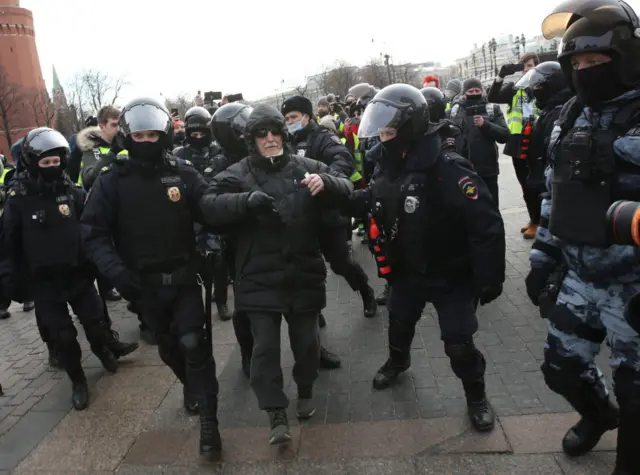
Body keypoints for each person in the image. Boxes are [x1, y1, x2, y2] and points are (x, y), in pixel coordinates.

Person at [349, 83, 505, 433]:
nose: (382, 138)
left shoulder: (447, 168)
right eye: (381, 131)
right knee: (399, 322)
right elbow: (373, 199)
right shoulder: (387, 165)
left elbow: (486, 223)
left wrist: (490, 276)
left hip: (451, 275)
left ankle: (476, 396)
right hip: (407, 271)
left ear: (408, 129)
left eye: (389, 131)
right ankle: (397, 362)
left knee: (459, 344)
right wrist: (335, 196)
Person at [199, 104, 353, 445]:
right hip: (257, 277)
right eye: (261, 134)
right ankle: (275, 413)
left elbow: (348, 187)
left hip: (304, 272)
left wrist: (327, 182)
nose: (269, 139)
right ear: (251, 140)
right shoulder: (237, 172)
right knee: (264, 349)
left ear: (284, 134)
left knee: (308, 344)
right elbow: (209, 204)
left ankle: (306, 388)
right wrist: (244, 201)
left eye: (274, 132)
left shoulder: (307, 167)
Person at [530, 2, 640, 473]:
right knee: (560, 369)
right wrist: (542, 255)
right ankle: (598, 416)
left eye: (596, 63)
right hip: (579, 275)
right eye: (577, 65)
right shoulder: (571, 114)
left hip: (633, 282)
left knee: (636, 392)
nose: (585, 73)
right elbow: (556, 193)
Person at [80, 97, 221, 460]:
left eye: (152, 134)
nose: (146, 141)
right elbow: (93, 233)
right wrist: (118, 275)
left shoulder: (182, 171)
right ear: (128, 136)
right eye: (139, 135)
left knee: (193, 343)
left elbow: (209, 207)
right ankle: (189, 386)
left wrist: (214, 240)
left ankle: (209, 421)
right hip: (142, 284)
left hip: (185, 278)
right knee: (170, 346)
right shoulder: (112, 180)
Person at [1, 128, 138, 410]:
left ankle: (103, 351)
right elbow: (7, 245)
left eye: (56, 162)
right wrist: (10, 281)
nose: (52, 167)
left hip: (78, 275)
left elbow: (90, 230)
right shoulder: (18, 199)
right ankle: (78, 381)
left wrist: (100, 264)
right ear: (32, 161)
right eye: (45, 162)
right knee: (64, 337)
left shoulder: (73, 193)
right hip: (44, 283)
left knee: (97, 324)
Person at [282, 96, 376, 319]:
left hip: (327, 213)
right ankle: (314, 314)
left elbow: (343, 161)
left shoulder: (324, 138)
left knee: (341, 263)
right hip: (300, 216)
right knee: (304, 268)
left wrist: (324, 178)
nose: (289, 122)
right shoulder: (286, 142)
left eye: (293, 117)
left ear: (306, 117)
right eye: (286, 118)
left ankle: (366, 291)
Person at [174, 106, 228, 321]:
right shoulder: (179, 155)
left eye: (201, 134)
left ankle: (222, 300)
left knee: (220, 260)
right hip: (190, 215)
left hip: (214, 211)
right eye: (193, 134)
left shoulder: (219, 152)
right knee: (195, 262)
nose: (198, 138)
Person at [515, 61, 573, 236]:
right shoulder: (549, 108)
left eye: (538, 85)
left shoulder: (559, 111)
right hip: (541, 176)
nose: (534, 90)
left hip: (552, 182)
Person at [488, 52, 541, 237]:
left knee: (537, 184)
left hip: (537, 140)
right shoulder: (514, 88)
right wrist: (501, 76)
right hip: (518, 142)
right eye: (524, 66)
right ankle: (534, 219)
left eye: (531, 65)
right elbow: (492, 97)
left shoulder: (542, 86)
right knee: (525, 185)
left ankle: (541, 222)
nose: (528, 69)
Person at [447, 78, 510, 207]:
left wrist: (485, 125)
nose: (474, 93)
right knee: (467, 208)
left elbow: (504, 135)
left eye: (477, 90)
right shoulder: (454, 111)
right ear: (464, 93)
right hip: (463, 168)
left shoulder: (492, 108)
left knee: (491, 205)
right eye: (470, 91)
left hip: (488, 168)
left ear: (482, 91)